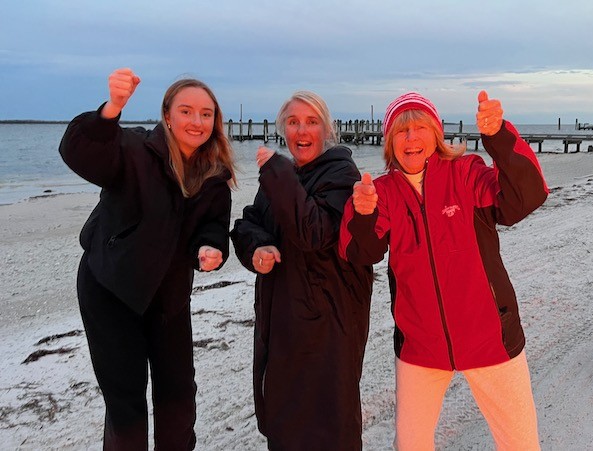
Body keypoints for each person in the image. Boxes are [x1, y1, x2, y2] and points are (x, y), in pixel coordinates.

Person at [339, 91, 549, 450]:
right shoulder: (383, 193)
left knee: (520, 443)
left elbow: (525, 198)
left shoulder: (466, 173)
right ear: (389, 142)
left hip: (491, 336)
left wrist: (498, 135)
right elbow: (360, 252)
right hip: (420, 346)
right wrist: (362, 213)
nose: (411, 138)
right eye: (401, 131)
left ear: (436, 134)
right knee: (411, 444)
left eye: (420, 127)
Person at [59, 68, 236, 450]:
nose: (197, 121)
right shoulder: (135, 149)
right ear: (167, 116)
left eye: (206, 114)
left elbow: (213, 226)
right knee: (127, 407)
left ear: (215, 121)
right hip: (110, 289)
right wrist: (111, 109)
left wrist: (210, 248)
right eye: (186, 111)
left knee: (178, 399)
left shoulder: (214, 175)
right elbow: (79, 152)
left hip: (169, 298)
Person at [230, 91, 374, 450]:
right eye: (293, 122)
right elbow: (249, 222)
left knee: (331, 424)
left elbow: (314, 232)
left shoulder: (342, 174)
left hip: (330, 324)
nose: (302, 130)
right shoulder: (285, 175)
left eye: (311, 122)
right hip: (280, 319)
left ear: (326, 130)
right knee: (283, 424)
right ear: (284, 130)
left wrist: (276, 172)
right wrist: (257, 248)